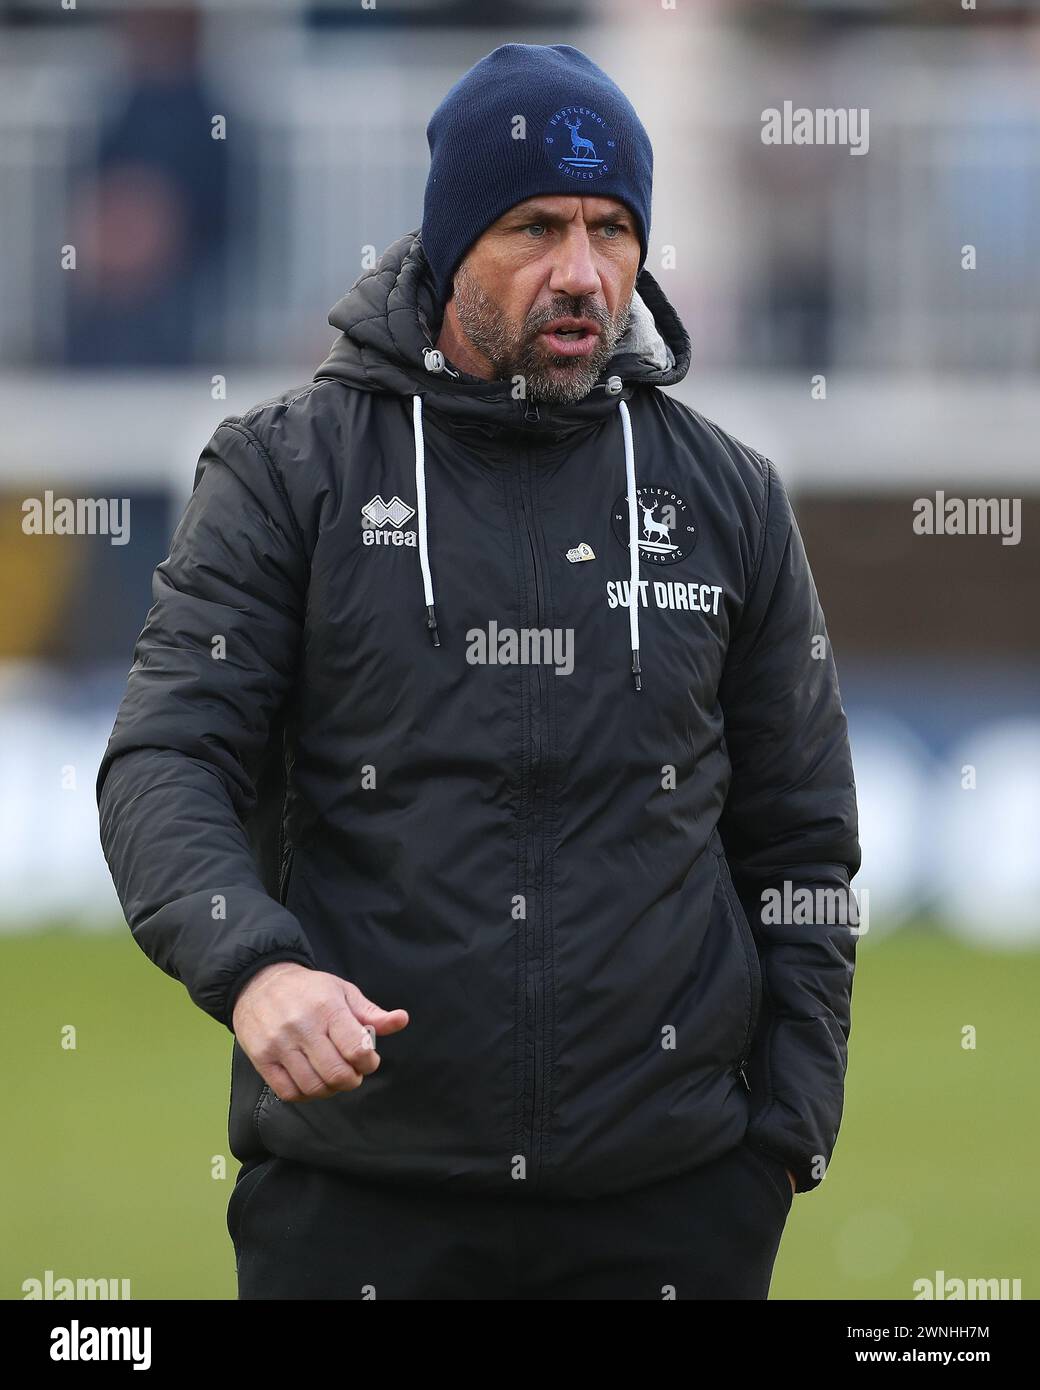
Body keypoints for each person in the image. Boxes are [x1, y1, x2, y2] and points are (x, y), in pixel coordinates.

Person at [97, 43, 861, 1300]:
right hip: (360, 1205)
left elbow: (801, 844)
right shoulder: (287, 474)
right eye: (533, 227)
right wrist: (256, 967)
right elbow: (164, 760)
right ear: (449, 243)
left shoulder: (727, 496)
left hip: (673, 1212)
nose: (581, 271)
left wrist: (784, 1138)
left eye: (612, 229)